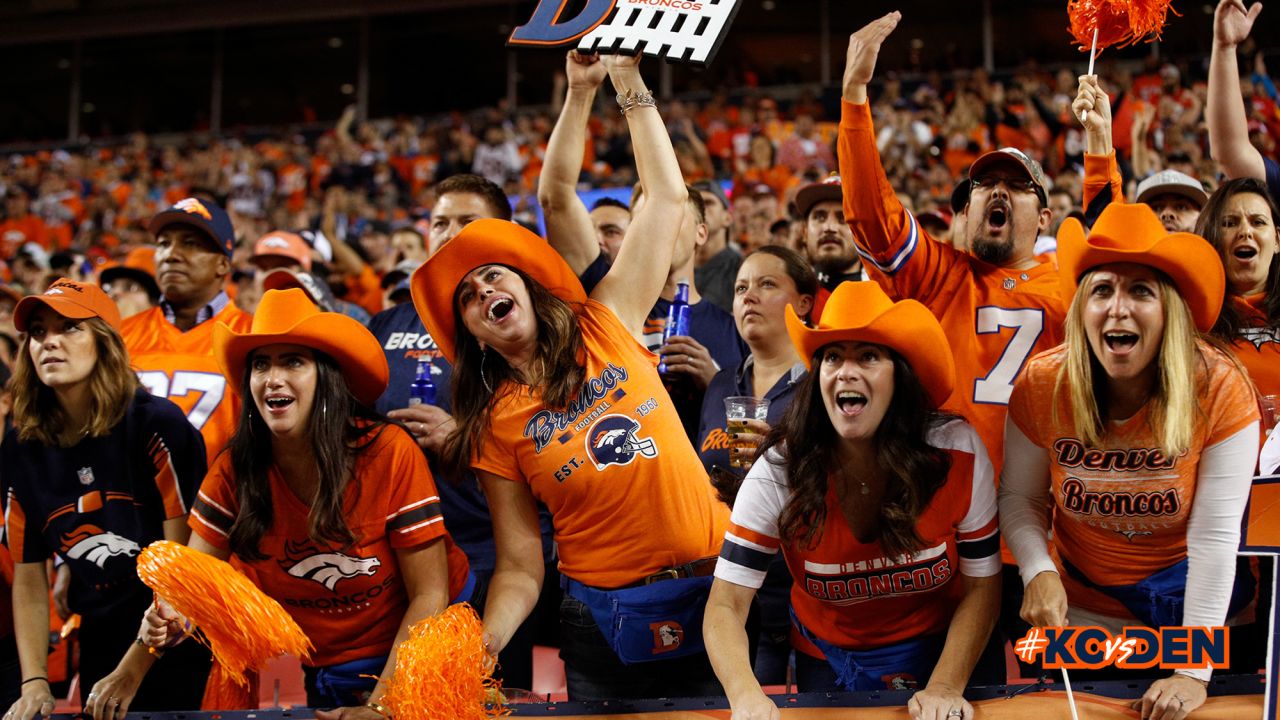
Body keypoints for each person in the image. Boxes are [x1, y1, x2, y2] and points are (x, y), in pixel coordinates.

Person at [411, 55, 730, 701]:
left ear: (527, 286)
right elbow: (524, 565)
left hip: (716, 594)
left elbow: (667, 198)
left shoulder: (605, 320)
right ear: (472, 333)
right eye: (468, 295)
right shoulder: (494, 423)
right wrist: (486, 640)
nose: (484, 288)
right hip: (602, 622)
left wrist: (628, 86)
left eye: (494, 273)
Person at [137, 288, 473, 713]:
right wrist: (161, 628)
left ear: (326, 377)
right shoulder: (234, 469)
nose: (273, 377)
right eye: (261, 364)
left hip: (422, 649)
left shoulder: (388, 451)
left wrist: (381, 705)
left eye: (292, 361)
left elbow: (430, 595)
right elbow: (189, 587)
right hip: (325, 664)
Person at [1000, 203, 1260, 720]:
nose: (1117, 308)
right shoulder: (1043, 382)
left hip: (1200, 605)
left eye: (1140, 290)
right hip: (1086, 613)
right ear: (1080, 309)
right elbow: (1020, 498)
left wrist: (1192, 670)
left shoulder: (1222, 385)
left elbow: (1215, 536)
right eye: (1102, 289)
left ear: (1170, 310)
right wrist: (1036, 568)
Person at [705, 281, 1001, 720]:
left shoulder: (955, 450)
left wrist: (944, 686)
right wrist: (746, 696)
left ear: (899, 375)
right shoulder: (780, 468)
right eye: (832, 357)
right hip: (828, 659)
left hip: (946, 650)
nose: (845, 371)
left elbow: (983, 588)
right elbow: (726, 603)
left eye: (868, 356)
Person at [839, 12, 1067, 483]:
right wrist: (855, 98)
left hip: (1047, 517)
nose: (999, 191)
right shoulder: (936, 272)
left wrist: (1101, 148)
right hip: (945, 515)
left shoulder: (1076, 285)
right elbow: (871, 217)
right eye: (986, 183)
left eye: (1018, 186)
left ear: (1044, 218)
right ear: (965, 211)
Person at [366, 172, 557, 690]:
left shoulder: (522, 328)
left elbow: (548, 441)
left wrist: (464, 441)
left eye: (467, 222)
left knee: (486, 691)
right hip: (398, 558)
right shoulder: (383, 326)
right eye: (440, 221)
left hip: (498, 553)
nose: (449, 233)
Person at [1, 279, 211, 720]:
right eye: (38, 332)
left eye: (69, 328)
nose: (49, 343)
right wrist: (34, 680)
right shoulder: (22, 444)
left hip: (183, 631)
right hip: (99, 628)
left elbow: (187, 566)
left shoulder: (157, 424)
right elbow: (28, 574)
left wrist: (131, 671)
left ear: (106, 344)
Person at [539, 51, 742, 439]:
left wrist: (714, 383)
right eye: (643, 219)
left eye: (669, 216)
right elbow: (556, 198)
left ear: (702, 232)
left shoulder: (737, 329)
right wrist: (581, 91)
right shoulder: (608, 293)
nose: (658, 228)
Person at [697, 245, 816, 687]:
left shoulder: (825, 382)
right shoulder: (719, 384)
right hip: (736, 590)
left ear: (803, 303)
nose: (749, 296)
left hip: (808, 590)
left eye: (767, 284)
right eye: (741, 287)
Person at [122, 198, 254, 461]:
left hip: (222, 498)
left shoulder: (253, 336)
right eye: (163, 243)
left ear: (223, 264)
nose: (171, 254)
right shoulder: (121, 336)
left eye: (190, 243)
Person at [794, 175, 863, 320]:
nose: (829, 227)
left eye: (843, 218)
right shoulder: (788, 297)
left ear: (863, 233)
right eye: (820, 217)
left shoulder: (887, 296)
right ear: (804, 232)